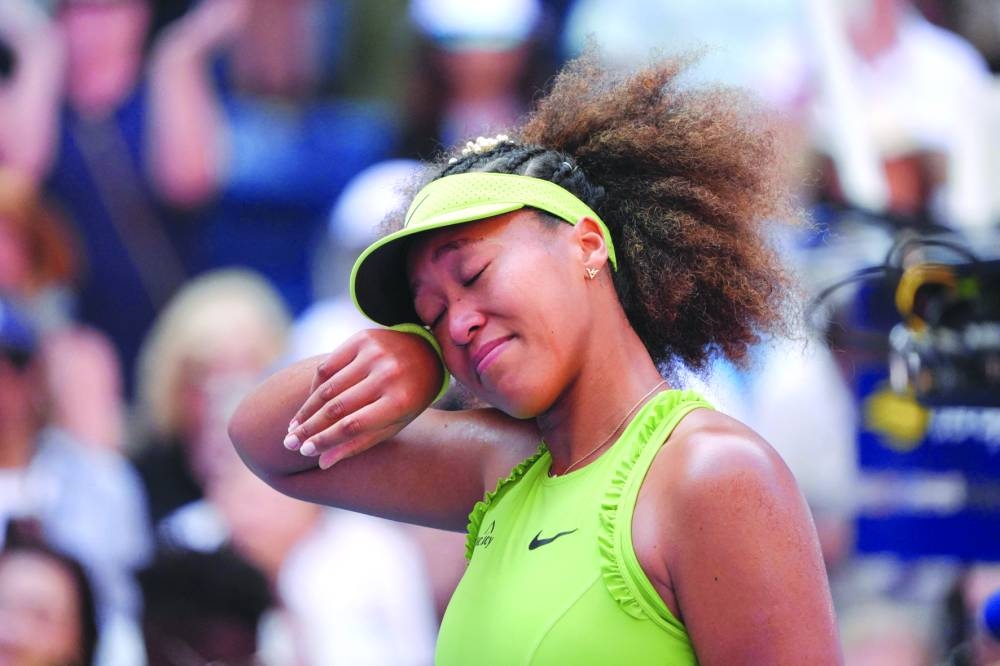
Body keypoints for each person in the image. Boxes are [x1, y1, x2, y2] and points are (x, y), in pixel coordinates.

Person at [230, 51, 842, 663]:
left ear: (587, 245)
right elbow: (266, 442)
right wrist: (421, 359)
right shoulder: (502, 466)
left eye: (473, 273)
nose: (458, 323)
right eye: (433, 313)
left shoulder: (712, 474)